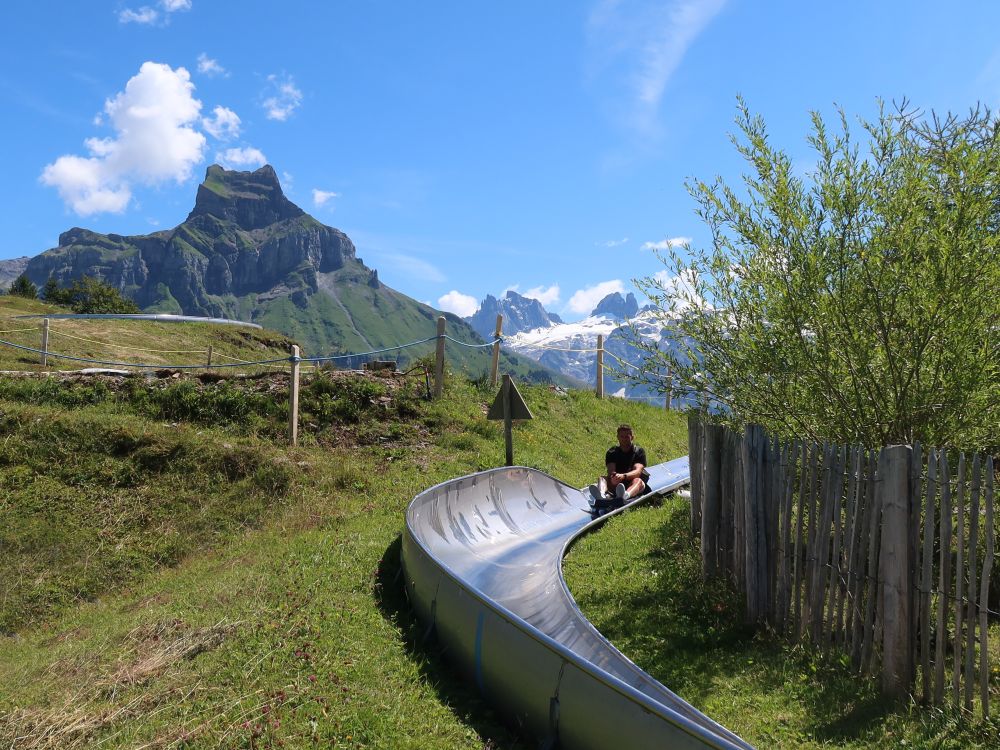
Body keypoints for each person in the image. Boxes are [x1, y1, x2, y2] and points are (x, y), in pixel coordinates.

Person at [599, 423, 650, 508]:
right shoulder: (612, 452)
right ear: (618, 437)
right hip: (617, 483)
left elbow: (637, 471)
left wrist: (624, 476)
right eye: (622, 436)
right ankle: (601, 495)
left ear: (632, 437)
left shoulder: (639, 452)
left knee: (638, 480)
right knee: (602, 479)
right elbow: (611, 470)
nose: (624, 439)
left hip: (632, 483)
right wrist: (613, 477)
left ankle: (625, 496)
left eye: (627, 437)